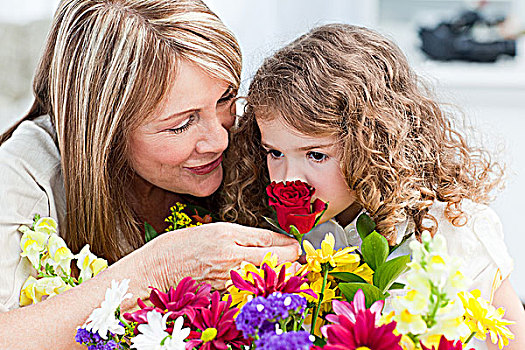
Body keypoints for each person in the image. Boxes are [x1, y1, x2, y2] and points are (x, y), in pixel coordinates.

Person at [0, 0, 300, 348]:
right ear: (105, 131)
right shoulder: (24, 174)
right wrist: (159, 269)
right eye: (181, 125)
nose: (219, 139)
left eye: (225, 98)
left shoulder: (266, 142)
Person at [220, 24, 525, 349]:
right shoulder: (277, 241)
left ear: (375, 146)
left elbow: (512, 341)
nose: (289, 179)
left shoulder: (455, 231)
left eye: (316, 155)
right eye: (275, 153)